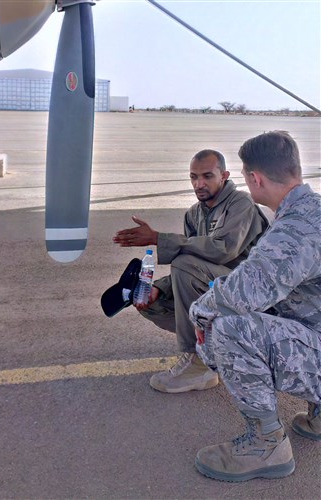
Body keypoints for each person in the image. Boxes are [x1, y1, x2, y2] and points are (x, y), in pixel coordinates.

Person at [190, 131, 320, 482]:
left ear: (254, 178)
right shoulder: (313, 210)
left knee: (229, 327)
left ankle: (266, 445)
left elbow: (242, 294)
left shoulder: (297, 230)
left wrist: (199, 314)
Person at [113, 149, 268, 393]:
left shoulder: (241, 203)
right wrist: (157, 288)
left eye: (207, 176)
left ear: (224, 176)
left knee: (183, 264)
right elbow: (195, 262)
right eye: (194, 177)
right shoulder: (194, 213)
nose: (199, 183)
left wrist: (157, 238)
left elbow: (222, 250)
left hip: (251, 292)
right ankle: (213, 346)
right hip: (219, 287)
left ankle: (198, 365)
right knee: (150, 298)